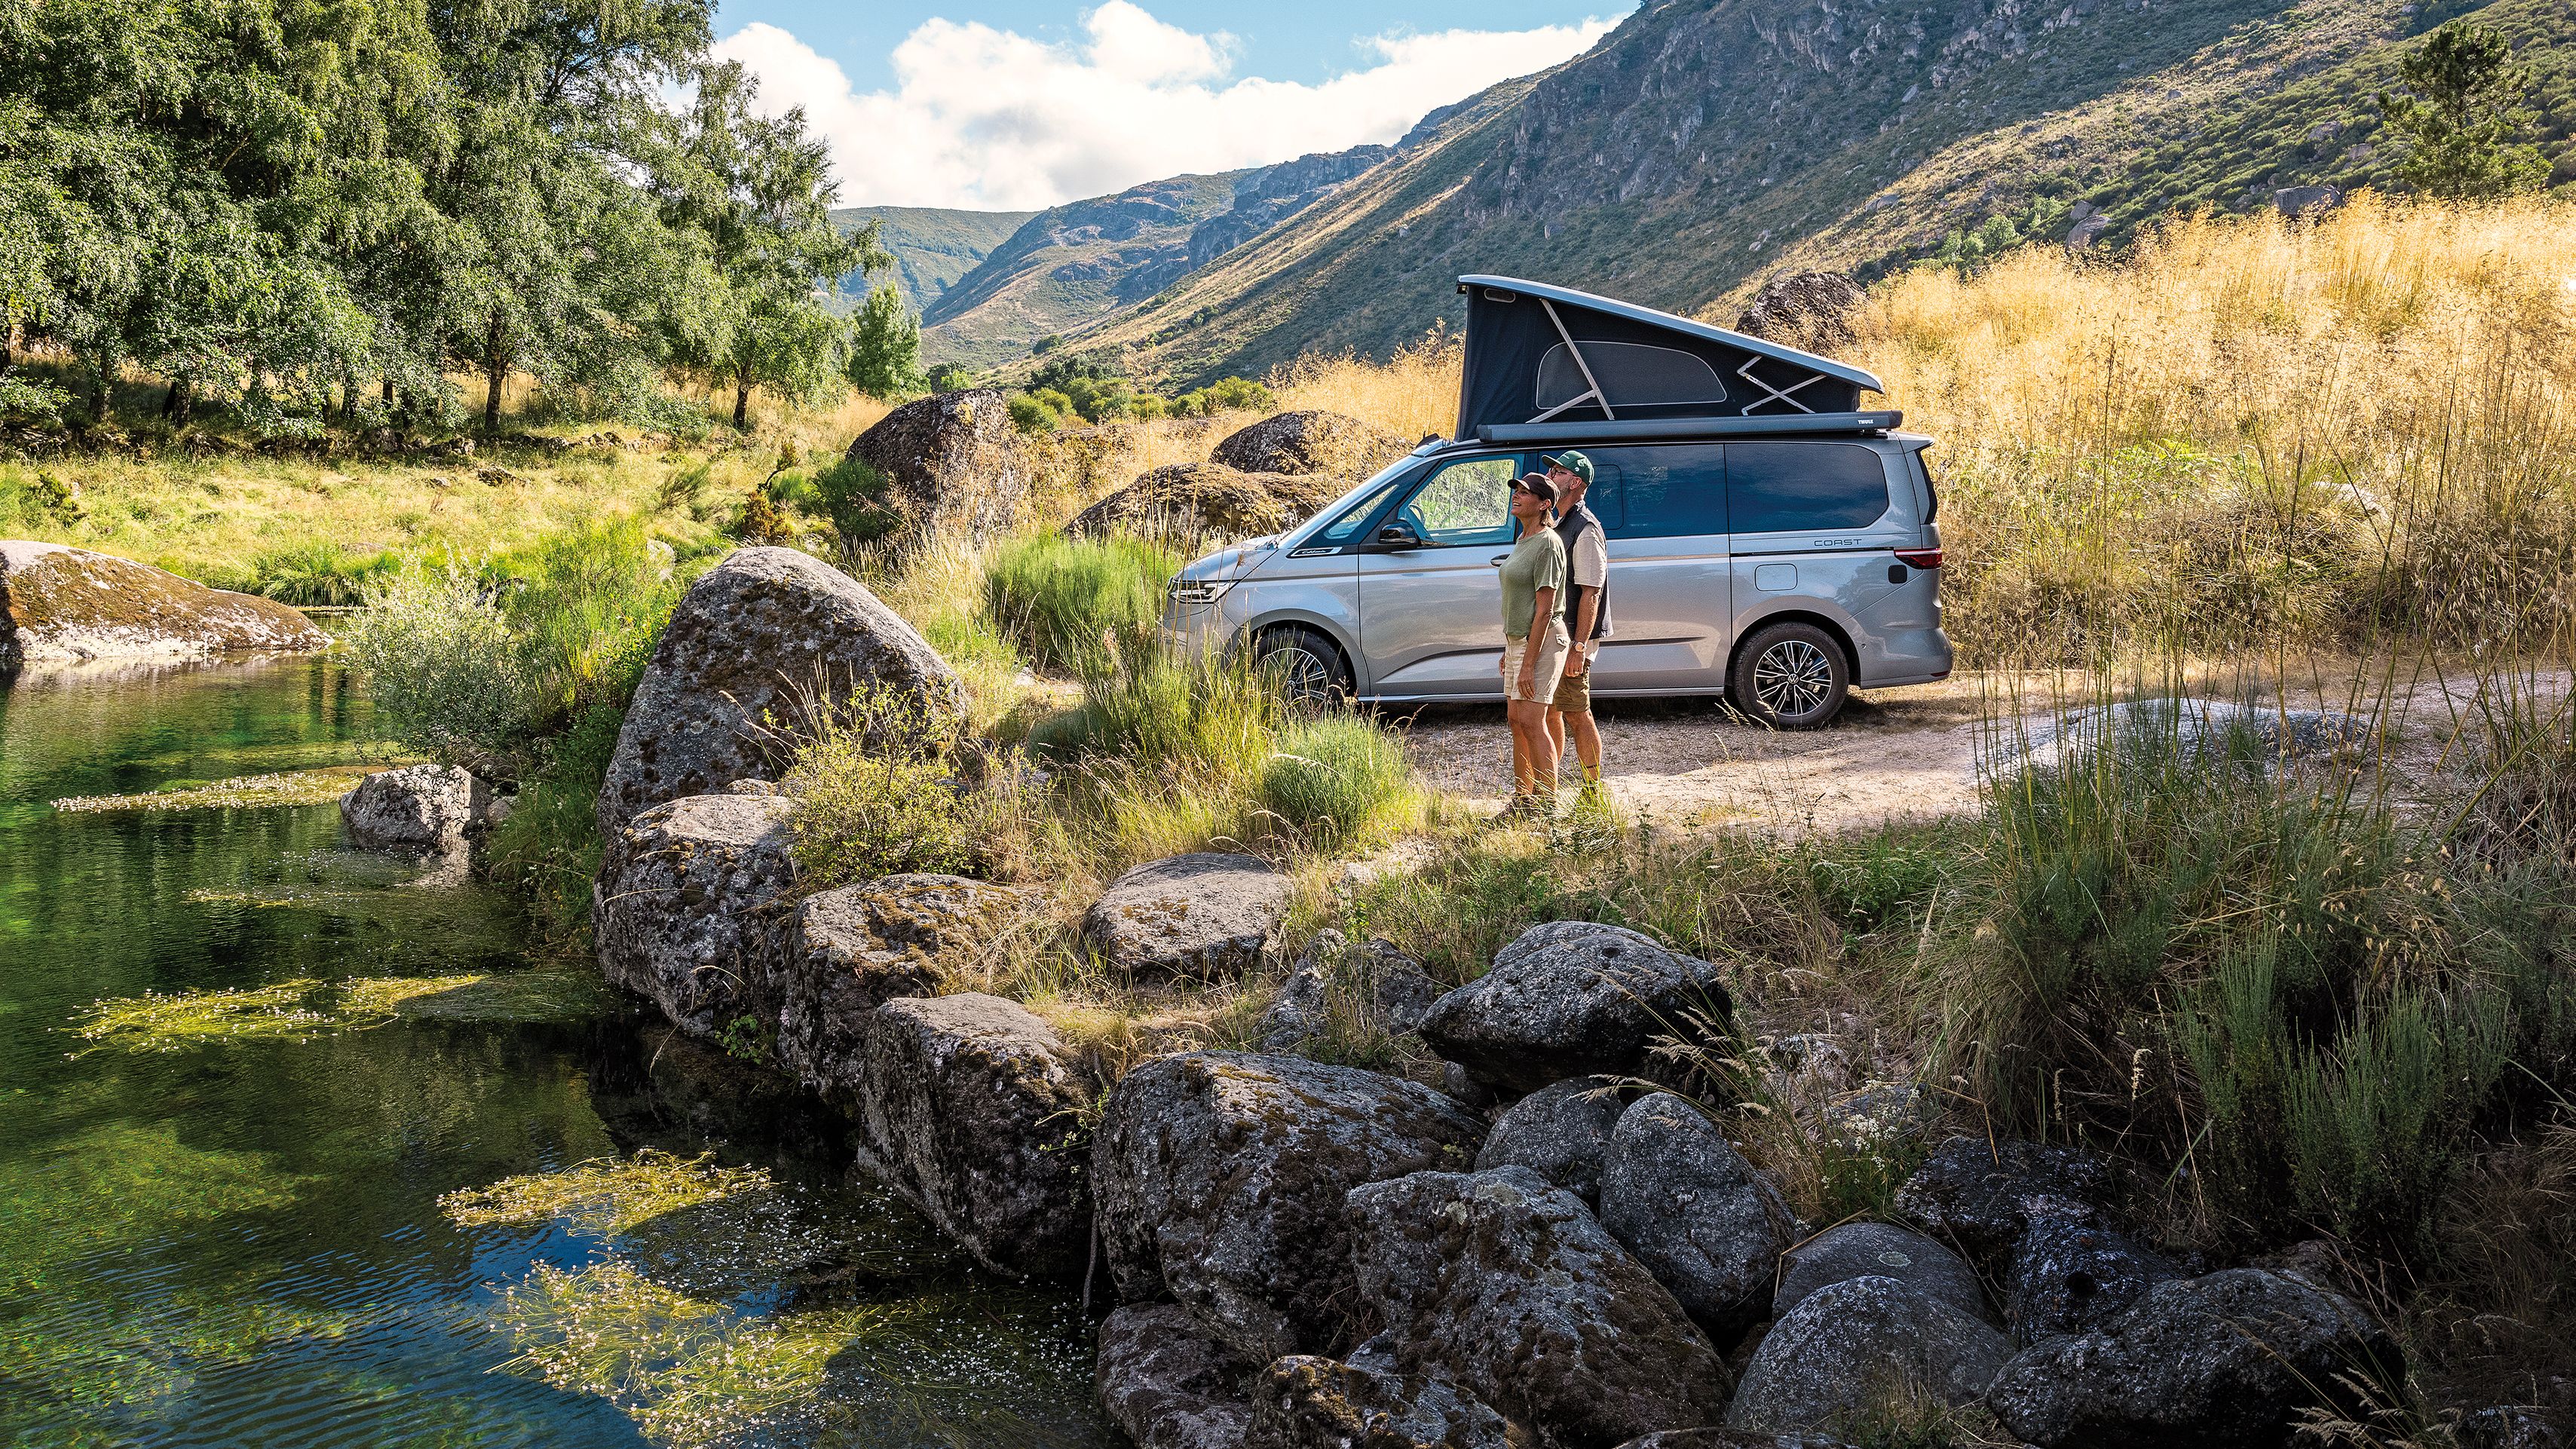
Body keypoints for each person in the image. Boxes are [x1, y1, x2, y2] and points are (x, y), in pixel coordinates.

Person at [1496, 472, 1569, 815]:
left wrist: (1527, 663)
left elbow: (1544, 611)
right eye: (1517, 491)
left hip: (1541, 642)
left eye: (1525, 493)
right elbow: (1518, 600)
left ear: (1544, 504)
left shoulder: (1548, 544)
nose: (1517, 496)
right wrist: (1508, 649)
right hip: (1518, 642)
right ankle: (1523, 798)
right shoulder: (1524, 539)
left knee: (1533, 719)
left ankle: (1547, 805)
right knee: (1516, 718)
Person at [1541, 450, 1610, 802]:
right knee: (1551, 710)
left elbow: (1591, 594)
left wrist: (1579, 648)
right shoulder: (1558, 521)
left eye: (1559, 470)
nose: (1551, 473)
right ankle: (1549, 788)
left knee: (1577, 714)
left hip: (1574, 640)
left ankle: (1593, 794)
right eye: (1552, 468)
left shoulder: (1586, 528)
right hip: (1558, 638)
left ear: (1577, 482)